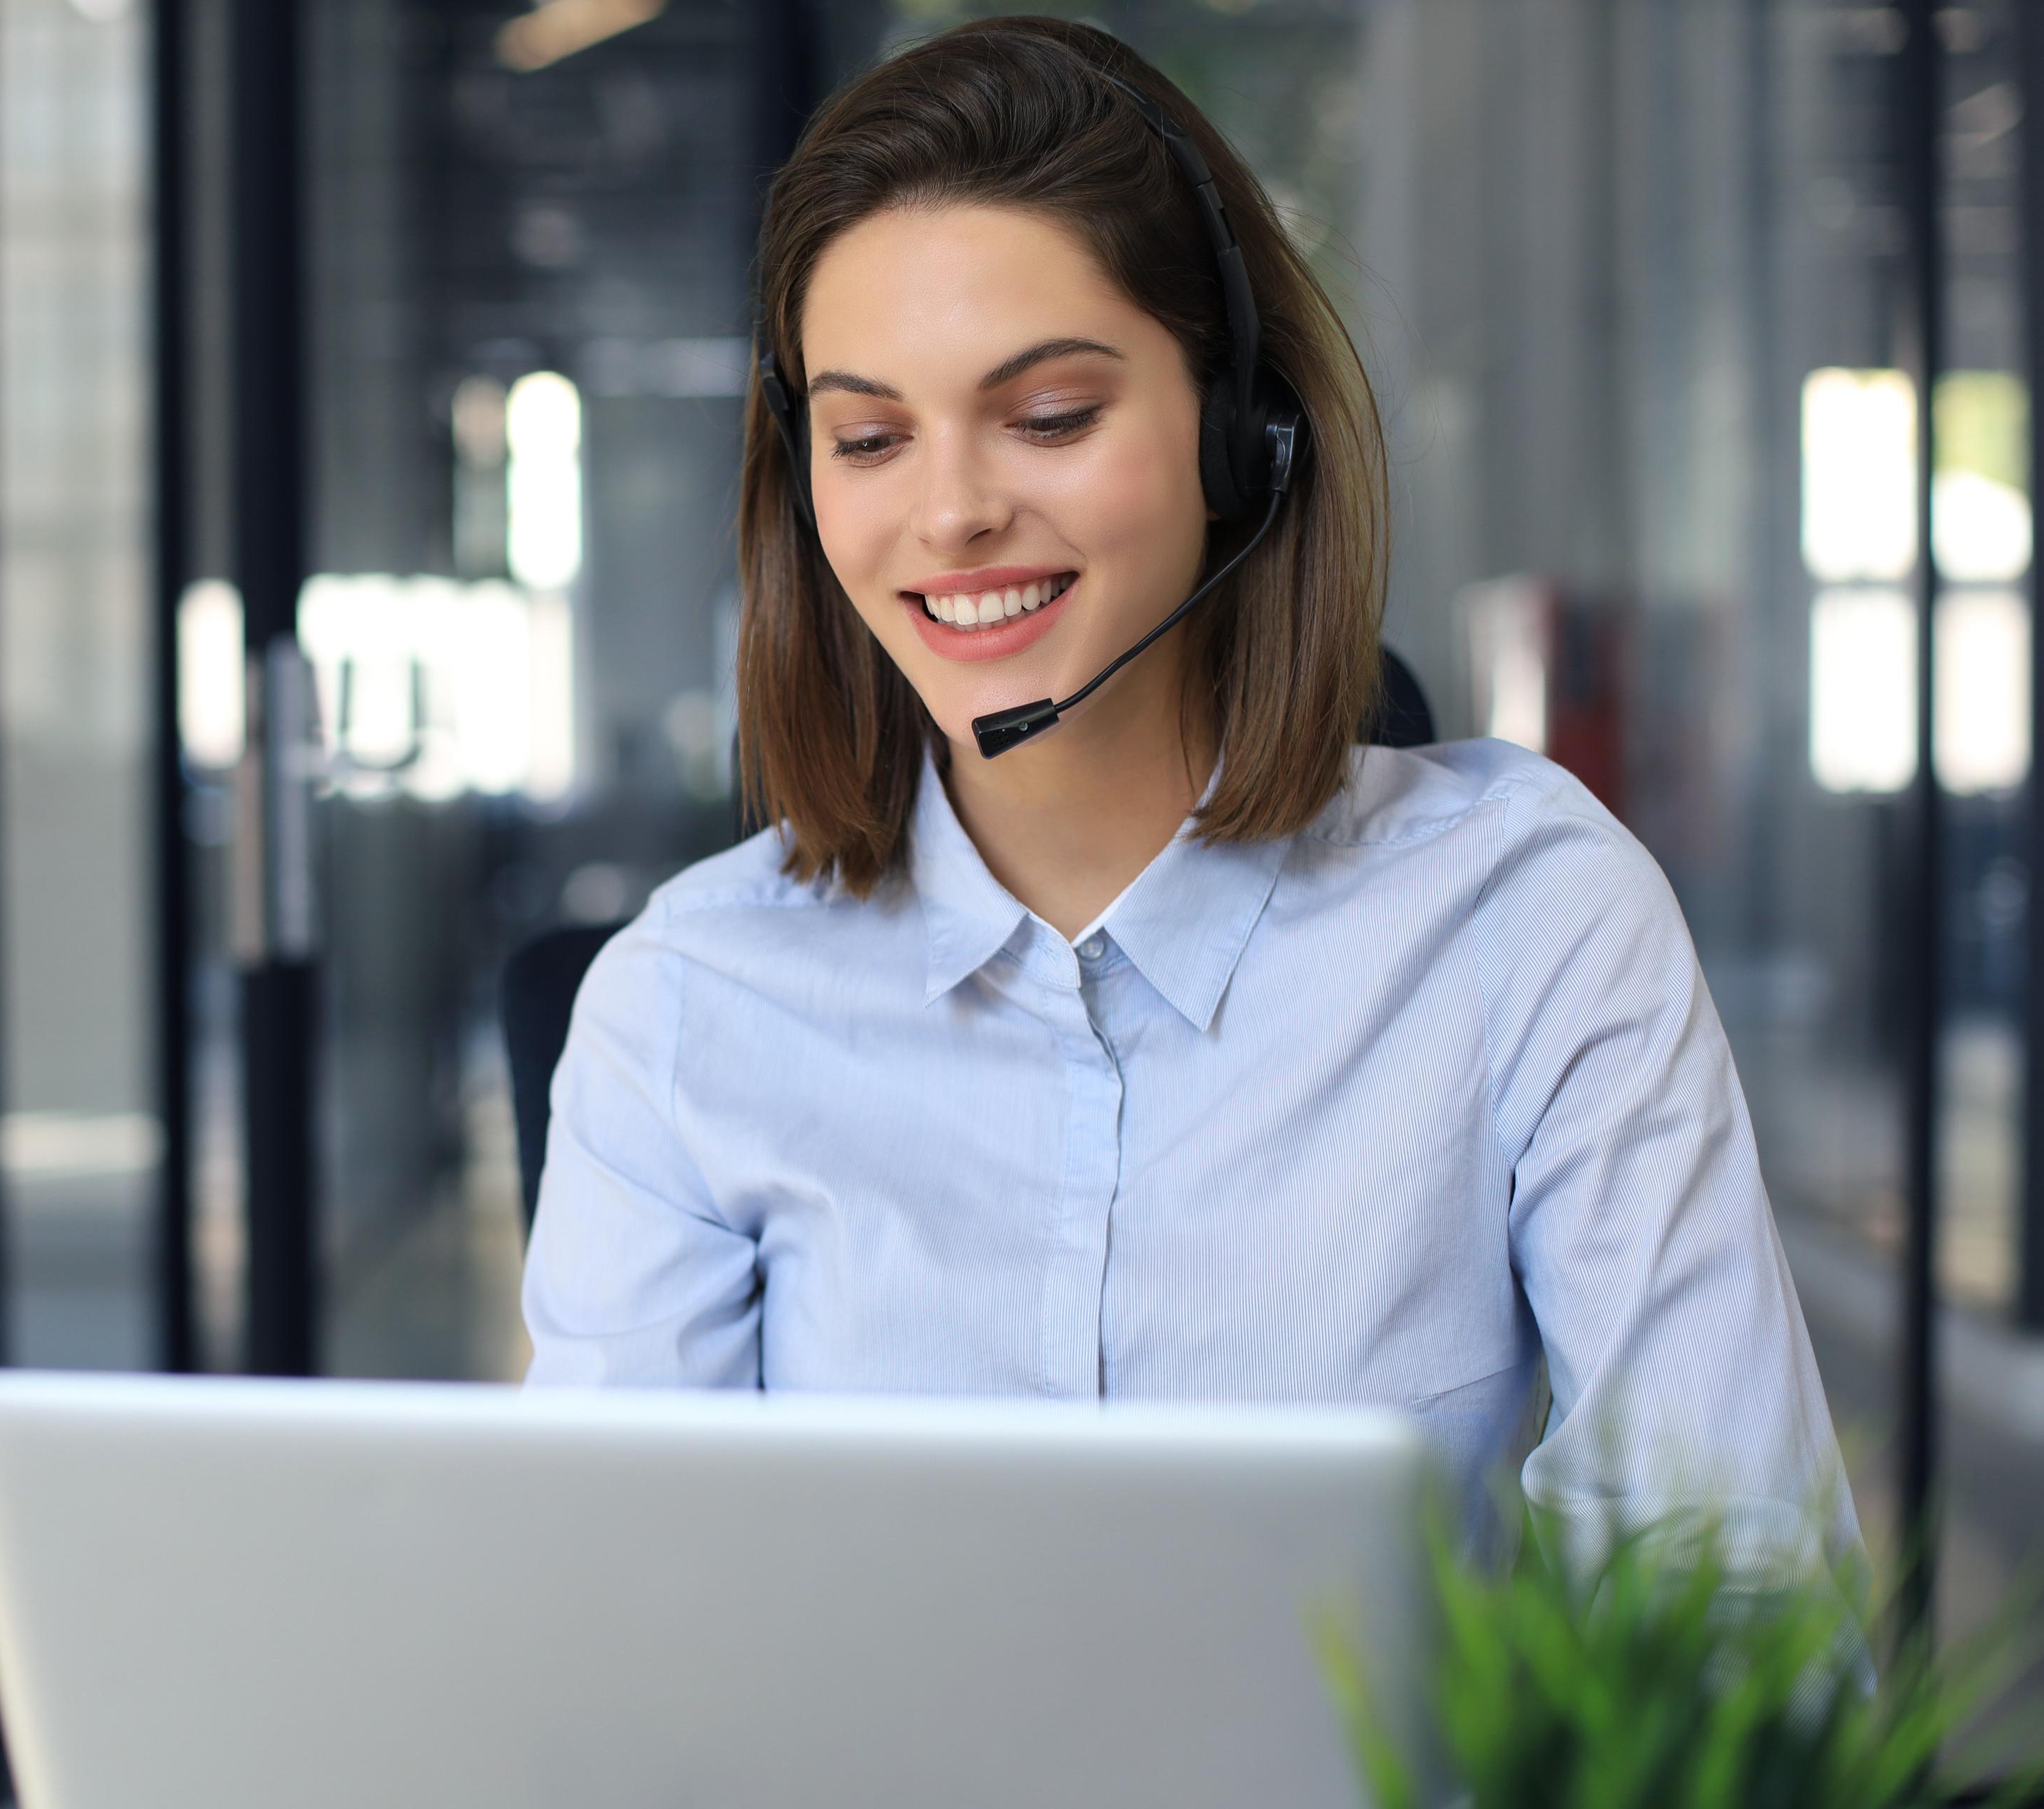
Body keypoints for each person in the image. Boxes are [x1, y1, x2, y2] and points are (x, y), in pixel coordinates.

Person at [520, 16, 1856, 1562]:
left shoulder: (1529, 917)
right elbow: (612, 1637)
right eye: (871, 436)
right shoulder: (685, 1007)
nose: (951, 510)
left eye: (1050, 416)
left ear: (1245, 435)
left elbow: (1733, 1602)